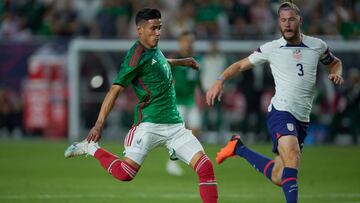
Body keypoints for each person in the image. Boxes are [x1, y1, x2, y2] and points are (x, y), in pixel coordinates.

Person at [64, 8, 218, 203]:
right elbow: (115, 90)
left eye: (160, 28)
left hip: (175, 126)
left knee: (205, 168)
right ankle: (91, 148)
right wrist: (99, 124)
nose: (158, 32)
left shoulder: (154, 49)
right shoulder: (135, 56)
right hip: (149, 125)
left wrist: (181, 62)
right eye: (153, 28)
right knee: (125, 174)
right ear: (140, 30)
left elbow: (159, 63)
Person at [206, 1, 343, 203]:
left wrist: (335, 73)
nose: (287, 24)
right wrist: (220, 80)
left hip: (302, 119)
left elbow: (335, 62)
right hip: (281, 111)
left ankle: (238, 148)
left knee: (280, 176)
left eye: (291, 20)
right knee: (293, 157)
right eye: (283, 20)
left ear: (300, 21)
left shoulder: (317, 45)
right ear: (279, 23)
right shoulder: (272, 48)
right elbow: (240, 65)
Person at [166, 31, 202, 176]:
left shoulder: (196, 59)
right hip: (178, 101)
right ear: (181, 42)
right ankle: (172, 162)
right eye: (186, 40)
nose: (189, 43)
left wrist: (204, 91)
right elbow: (167, 77)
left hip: (191, 100)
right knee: (179, 133)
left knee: (195, 128)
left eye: (191, 41)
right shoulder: (175, 59)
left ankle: (183, 157)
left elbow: (196, 78)